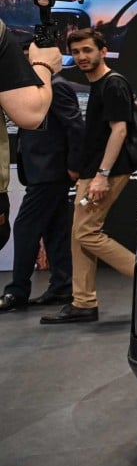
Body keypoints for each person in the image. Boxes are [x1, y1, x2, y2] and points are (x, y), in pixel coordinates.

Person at [40, 29, 136, 324]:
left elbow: (120, 131)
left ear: (103, 51)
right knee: (78, 236)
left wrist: (102, 175)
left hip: (107, 172)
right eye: (77, 51)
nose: (82, 57)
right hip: (92, 171)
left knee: (86, 233)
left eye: (87, 50)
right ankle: (83, 302)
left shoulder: (113, 84)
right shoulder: (99, 84)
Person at [0, 68, 84, 312]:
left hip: (51, 172)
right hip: (43, 172)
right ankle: (62, 287)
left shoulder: (56, 86)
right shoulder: (40, 89)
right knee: (55, 229)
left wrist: (74, 166)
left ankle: (17, 292)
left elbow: (76, 127)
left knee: (25, 227)